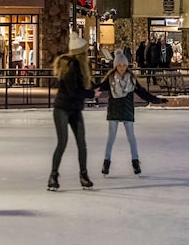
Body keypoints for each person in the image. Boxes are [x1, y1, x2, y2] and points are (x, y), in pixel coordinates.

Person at [95, 49, 167, 176]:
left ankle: (135, 161)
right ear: (115, 66)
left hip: (127, 110)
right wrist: (84, 89)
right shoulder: (110, 79)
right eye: (119, 65)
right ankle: (106, 162)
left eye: (124, 65)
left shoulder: (132, 79)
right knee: (111, 137)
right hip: (114, 110)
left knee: (131, 137)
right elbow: (98, 88)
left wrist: (156, 100)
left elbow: (142, 93)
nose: (122, 68)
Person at [49, 30, 98, 191]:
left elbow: (85, 85)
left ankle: (84, 175)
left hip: (75, 109)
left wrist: (96, 88)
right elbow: (73, 91)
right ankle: (53, 176)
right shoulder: (70, 67)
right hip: (62, 109)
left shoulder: (80, 67)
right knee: (62, 142)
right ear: (81, 53)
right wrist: (91, 94)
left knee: (82, 143)